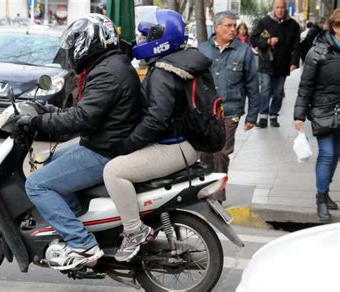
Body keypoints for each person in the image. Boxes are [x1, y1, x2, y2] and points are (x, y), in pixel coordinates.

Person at [15, 14, 142, 270]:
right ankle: (75, 222)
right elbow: (89, 111)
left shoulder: (108, 72)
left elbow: (82, 118)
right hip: (104, 140)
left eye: (75, 43)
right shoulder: (108, 65)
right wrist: (49, 111)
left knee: (37, 185)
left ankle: (82, 244)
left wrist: (38, 123)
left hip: (105, 149)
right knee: (49, 161)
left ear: (88, 42)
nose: (72, 49)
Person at [103, 9, 211, 262]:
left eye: (145, 35)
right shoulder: (178, 61)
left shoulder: (164, 71)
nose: (140, 41)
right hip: (185, 143)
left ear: (161, 38)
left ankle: (133, 231)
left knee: (114, 171)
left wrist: (128, 144)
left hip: (174, 147)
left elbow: (156, 119)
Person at [198, 11, 259, 202]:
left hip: (230, 111)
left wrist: (252, 116)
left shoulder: (244, 51)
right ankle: (205, 190)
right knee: (205, 153)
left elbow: (252, 84)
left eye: (235, 25)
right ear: (217, 28)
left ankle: (217, 197)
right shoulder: (202, 50)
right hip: (206, 111)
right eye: (229, 25)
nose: (233, 29)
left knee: (222, 152)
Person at [294, 8, 340, 222]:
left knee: (335, 154)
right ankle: (321, 199)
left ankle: (325, 191)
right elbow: (306, 86)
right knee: (328, 153)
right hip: (323, 110)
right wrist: (299, 115)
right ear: (336, 27)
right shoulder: (318, 52)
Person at [251, 0, 300, 128]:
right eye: (277, 7)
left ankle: (273, 115)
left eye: (282, 7)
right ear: (274, 8)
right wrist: (267, 41)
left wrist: (294, 62)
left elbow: (296, 46)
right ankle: (263, 116)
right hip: (266, 62)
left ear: (286, 8)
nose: (280, 10)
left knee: (278, 92)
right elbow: (254, 39)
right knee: (265, 89)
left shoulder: (293, 25)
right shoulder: (264, 22)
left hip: (283, 63)